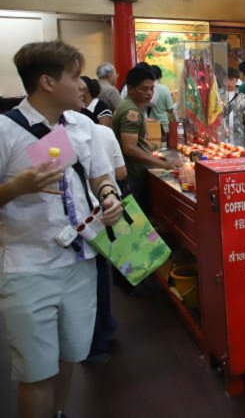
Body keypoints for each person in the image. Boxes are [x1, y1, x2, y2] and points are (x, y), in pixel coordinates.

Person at [0, 41, 123, 418]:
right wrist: (17, 187)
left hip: (82, 260)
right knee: (37, 373)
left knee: (71, 354)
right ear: (47, 82)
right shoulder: (6, 131)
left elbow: (100, 175)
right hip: (29, 268)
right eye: (73, 76)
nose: (82, 86)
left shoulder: (82, 124)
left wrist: (108, 197)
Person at [86, 124, 127, 364]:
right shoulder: (102, 132)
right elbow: (118, 173)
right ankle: (104, 330)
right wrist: (110, 194)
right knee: (101, 272)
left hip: (88, 220)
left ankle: (97, 341)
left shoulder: (82, 130)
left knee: (97, 275)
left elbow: (104, 177)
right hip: (102, 215)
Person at [113, 65, 180, 207]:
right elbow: (129, 148)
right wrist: (164, 165)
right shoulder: (132, 112)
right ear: (131, 89)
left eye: (151, 88)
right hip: (133, 173)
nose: (149, 93)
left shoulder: (131, 105)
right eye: (144, 89)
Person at [224, 67, 245, 142]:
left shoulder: (244, 97)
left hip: (238, 135)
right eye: (226, 80)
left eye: (231, 80)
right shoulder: (219, 96)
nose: (228, 82)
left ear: (236, 80)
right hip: (223, 135)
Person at [148, 65, 176, 138]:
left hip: (149, 125)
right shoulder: (165, 89)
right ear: (160, 76)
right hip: (163, 126)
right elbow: (170, 110)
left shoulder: (145, 89)